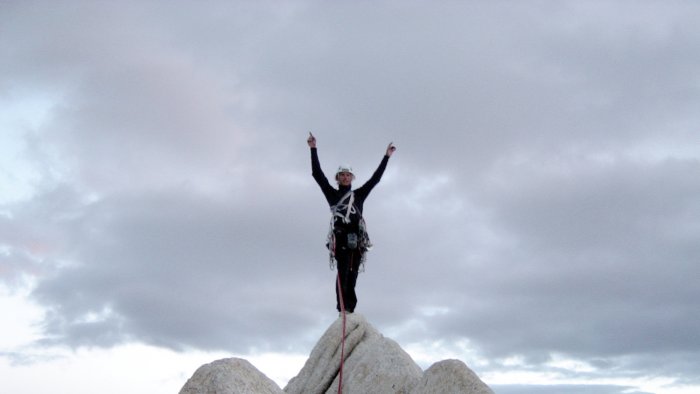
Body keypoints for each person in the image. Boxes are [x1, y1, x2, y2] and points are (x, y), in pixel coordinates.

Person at [307, 132, 396, 313]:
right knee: (343, 273)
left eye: (348, 175)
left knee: (353, 274)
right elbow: (317, 174)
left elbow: (375, 179)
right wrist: (313, 148)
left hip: (357, 240)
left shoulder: (359, 195)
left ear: (352, 177)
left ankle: (350, 308)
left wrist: (386, 157)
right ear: (337, 178)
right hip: (340, 240)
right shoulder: (332, 194)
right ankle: (342, 308)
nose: (345, 177)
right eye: (342, 175)